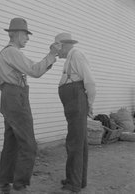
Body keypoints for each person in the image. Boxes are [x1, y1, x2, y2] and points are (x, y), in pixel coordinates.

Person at [0, 18, 59, 194]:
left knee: (11, 143)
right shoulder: (12, 52)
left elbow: (3, 81)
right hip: (16, 98)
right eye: (25, 34)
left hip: (11, 97)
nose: (27, 38)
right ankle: (19, 185)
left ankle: (3, 185)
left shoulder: (8, 53)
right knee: (29, 144)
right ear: (14, 34)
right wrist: (52, 54)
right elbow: (35, 70)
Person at [55, 33, 96, 194]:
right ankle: (79, 179)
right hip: (74, 103)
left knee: (74, 142)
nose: (57, 52)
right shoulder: (70, 59)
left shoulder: (77, 56)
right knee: (79, 142)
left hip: (77, 102)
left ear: (63, 45)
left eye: (57, 48)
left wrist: (89, 104)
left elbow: (90, 82)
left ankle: (73, 184)